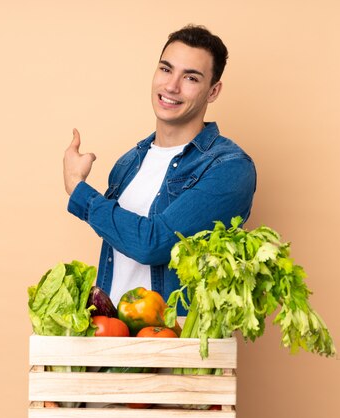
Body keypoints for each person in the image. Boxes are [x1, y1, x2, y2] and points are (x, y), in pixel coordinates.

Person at [63, 25, 257, 309]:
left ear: (213, 91)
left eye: (190, 77)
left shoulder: (229, 168)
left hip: (174, 341)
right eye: (166, 70)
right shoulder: (129, 163)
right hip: (112, 334)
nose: (171, 86)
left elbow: (153, 243)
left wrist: (78, 190)